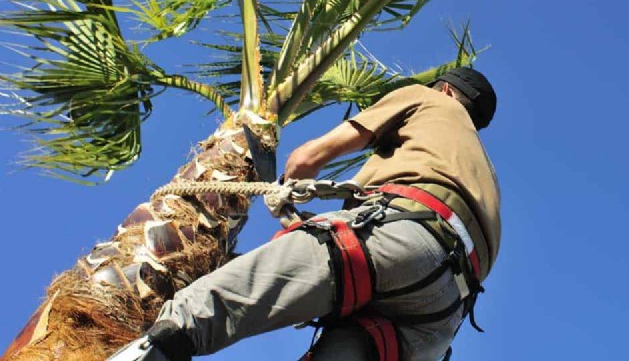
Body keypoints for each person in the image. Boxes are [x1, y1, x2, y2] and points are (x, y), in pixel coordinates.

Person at [110, 67, 500, 361]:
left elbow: (308, 158)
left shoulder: (429, 100)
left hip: (400, 239)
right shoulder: (485, 175)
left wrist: (287, 184)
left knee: (208, 309)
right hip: (441, 318)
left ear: (447, 89)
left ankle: (150, 350)